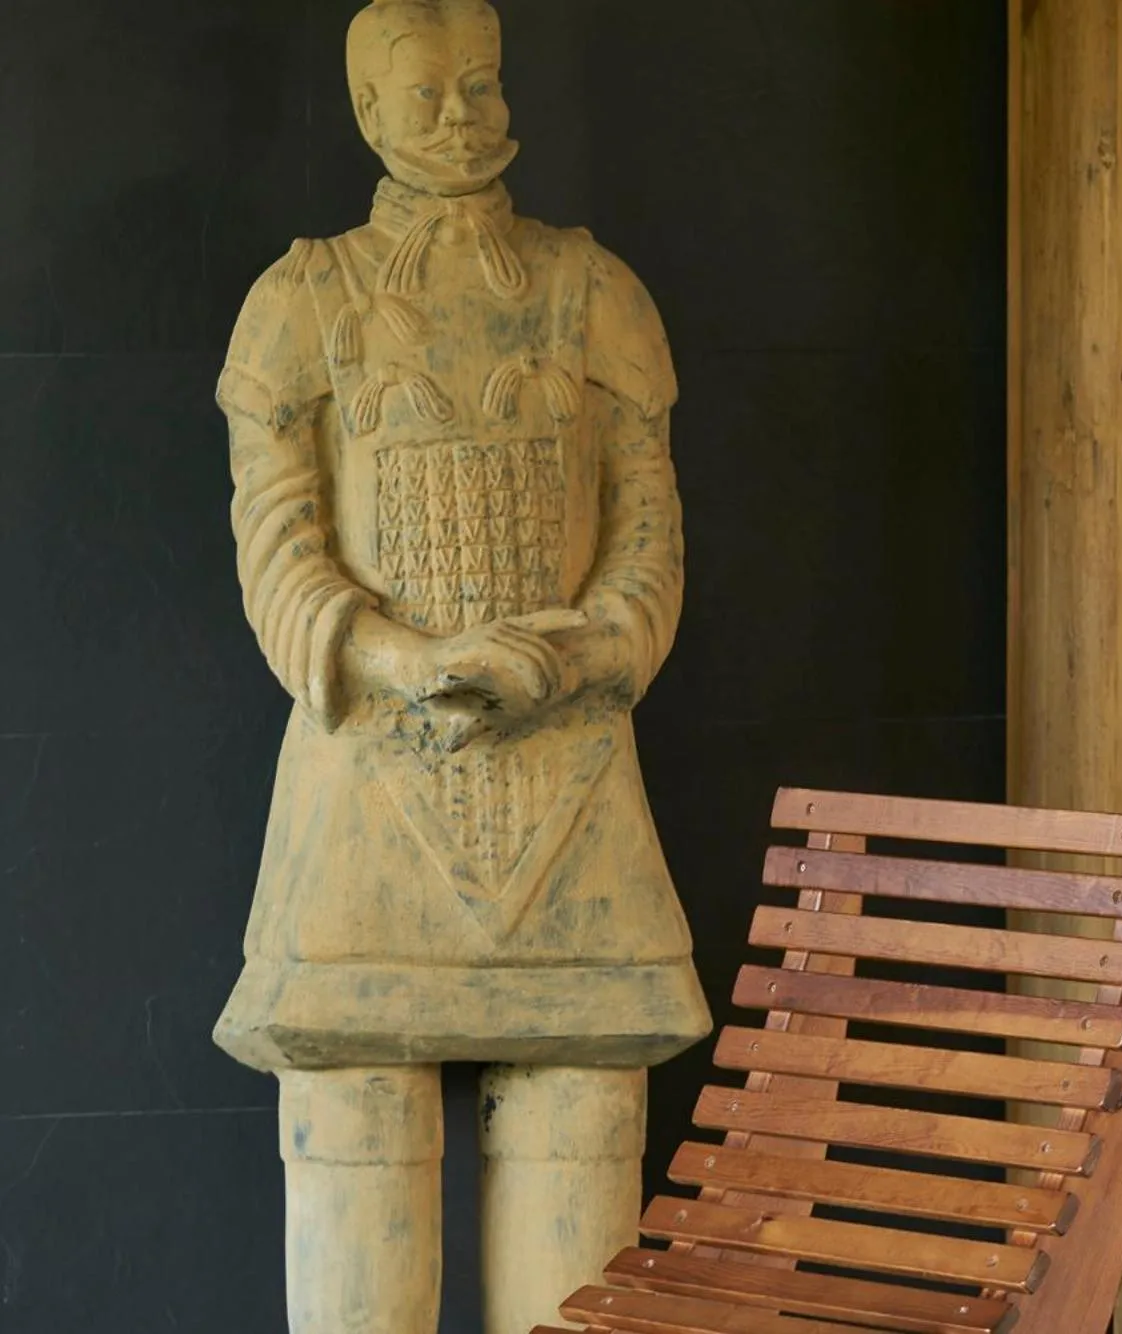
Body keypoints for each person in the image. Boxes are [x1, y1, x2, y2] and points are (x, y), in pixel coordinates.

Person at [212, 2, 710, 1328]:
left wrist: (572, 655)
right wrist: (409, 659)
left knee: (580, 1147)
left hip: (572, 794)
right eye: (424, 93)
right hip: (365, 805)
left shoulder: (594, 293)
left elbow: (649, 546)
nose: (459, 118)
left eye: (480, 85)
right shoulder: (298, 305)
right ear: (366, 111)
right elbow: (279, 556)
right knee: (355, 1136)